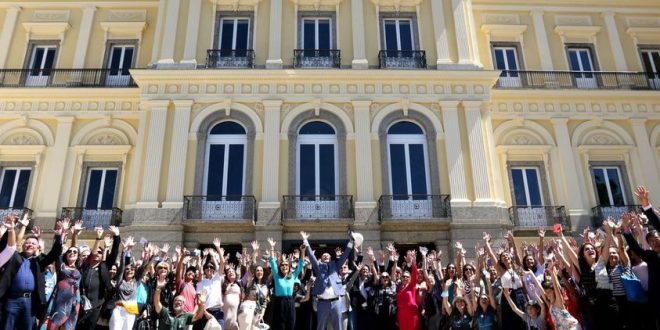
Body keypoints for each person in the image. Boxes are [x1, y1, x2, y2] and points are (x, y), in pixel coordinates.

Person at [0, 216, 64, 329]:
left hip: (30, 301)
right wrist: (12, 228)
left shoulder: (40, 261)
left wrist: (59, 237)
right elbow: (8, 246)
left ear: (37, 248)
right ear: (23, 246)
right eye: (27, 243)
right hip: (12, 300)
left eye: (33, 244)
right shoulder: (14, 257)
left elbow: (55, 253)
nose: (30, 245)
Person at [302, 230, 353, 330]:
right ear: (321, 259)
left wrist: (351, 241)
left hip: (336, 303)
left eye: (327, 255)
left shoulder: (335, 265)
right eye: (323, 256)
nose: (325, 256)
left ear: (330, 258)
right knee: (320, 327)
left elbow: (345, 255)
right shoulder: (318, 266)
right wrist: (305, 241)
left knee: (338, 327)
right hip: (322, 303)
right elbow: (312, 257)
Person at [77, 225, 121, 330]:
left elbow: (114, 252)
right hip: (81, 304)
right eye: (96, 252)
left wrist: (117, 236)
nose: (97, 253)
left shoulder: (104, 266)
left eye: (100, 253)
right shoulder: (86, 266)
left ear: (102, 256)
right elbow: (92, 253)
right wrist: (98, 238)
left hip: (96, 306)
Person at [268, 237, 304, 330]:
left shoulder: (293, 276)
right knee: (280, 326)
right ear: (280, 267)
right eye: (282, 265)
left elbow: (300, 265)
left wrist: (302, 251)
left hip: (290, 302)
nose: (284, 266)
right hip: (279, 303)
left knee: (291, 325)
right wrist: (272, 247)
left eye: (286, 265)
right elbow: (272, 262)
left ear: (289, 266)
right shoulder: (277, 276)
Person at [196, 238, 225, 327]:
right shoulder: (201, 283)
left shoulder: (217, 278)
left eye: (211, 267)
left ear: (213, 270)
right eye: (207, 267)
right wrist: (205, 313)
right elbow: (199, 301)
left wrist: (218, 248)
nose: (209, 269)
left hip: (218, 311)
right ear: (204, 270)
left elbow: (222, 262)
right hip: (206, 312)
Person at [397, 250, 420, 330]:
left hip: (412, 313)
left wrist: (414, 262)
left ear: (410, 278)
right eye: (403, 276)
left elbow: (415, 274)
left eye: (407, 277)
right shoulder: (398, 287)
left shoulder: (412, 286)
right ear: (401, 278)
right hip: (402, 314)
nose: (405, 278)